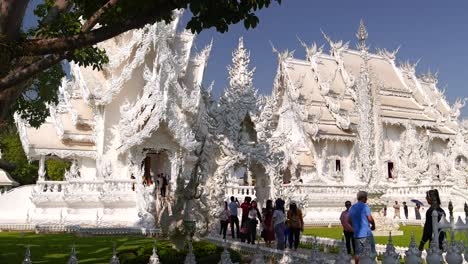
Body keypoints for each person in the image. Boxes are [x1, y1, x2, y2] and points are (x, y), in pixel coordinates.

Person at [348, 191, 376, 264]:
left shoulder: (352, 207)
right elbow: (369, 218)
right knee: (371, 251)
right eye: (366, 198)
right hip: (366, 233)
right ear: (363, 198)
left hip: (357, 234)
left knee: (358, 253)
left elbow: (349, 220)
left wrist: (354, 226)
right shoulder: (365, 206)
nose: (366, 199)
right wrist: (373, 225)